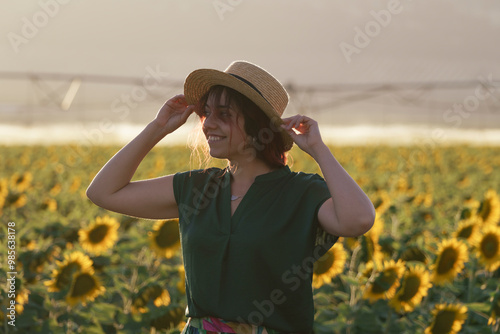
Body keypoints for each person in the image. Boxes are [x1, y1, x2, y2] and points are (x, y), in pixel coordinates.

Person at [86, 61, 375, 334]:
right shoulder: (197, 188)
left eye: (224, 114)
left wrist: (318, 149)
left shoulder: (302, 192)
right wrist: (157, 128)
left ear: (258, 125)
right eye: (206, 113)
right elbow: (103, 192)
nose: (208, 124)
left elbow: (358, 220)